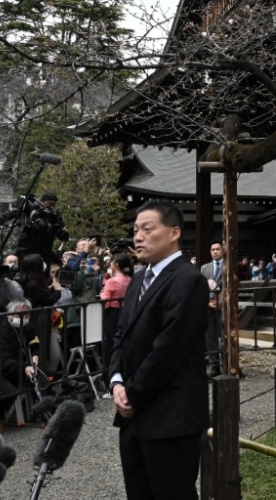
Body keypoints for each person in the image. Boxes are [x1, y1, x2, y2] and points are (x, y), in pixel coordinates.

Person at [109, 200, 209, 500]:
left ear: (174, 232)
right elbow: (121, 335)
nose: (138, 236)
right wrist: (115, 381)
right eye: (135, 229)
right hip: (132, 416)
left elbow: (169, 349)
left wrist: (133, 393)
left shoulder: (189, 280)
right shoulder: (138, 278)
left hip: (171, 415)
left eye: (147, 229)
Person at [0, 191, 68, 264]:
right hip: (28, 244)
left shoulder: (54, 214)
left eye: (53, 204)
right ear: (42, 201)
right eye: (49, 203)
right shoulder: (31, 208)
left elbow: (61, 232)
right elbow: (13, 212)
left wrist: (58, 230)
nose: (50, 207)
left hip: (45, 247)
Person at [101, 252, 132, 388]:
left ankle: (111, 377)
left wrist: (102, 293)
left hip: (112, 314)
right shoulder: (129, 280)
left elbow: (105, 301)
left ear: (116, 265)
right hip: (125, 312)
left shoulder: (111, 281)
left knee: (110, 345)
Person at [200, 243, 225, 378]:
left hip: (223, 305)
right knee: (210, 337)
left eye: (217, 249)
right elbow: (200, 287)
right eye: (212, 250)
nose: (215, 252)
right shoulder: (204, 268)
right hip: (208, 306)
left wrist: (220, 300)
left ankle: (229, 363)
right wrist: (207, 302)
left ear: (223, 250)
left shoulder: (228, 265)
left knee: (226, 335)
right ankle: (214, 365)